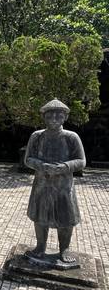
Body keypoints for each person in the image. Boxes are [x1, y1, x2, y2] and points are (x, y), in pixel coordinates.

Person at [24, 98, 86, 264]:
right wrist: (42, 165)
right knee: (40, 216)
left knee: (66, 218)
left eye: (58, 114)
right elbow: (28, 159)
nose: (53, 118)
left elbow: (81, 161)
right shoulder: (36, 136)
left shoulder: (71, 137)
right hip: (42, 184)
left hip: (64, 186)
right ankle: (40, 246)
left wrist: (64, 167)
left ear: (65, 117)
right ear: (44, 116)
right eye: (49, 114)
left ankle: (64, 249)